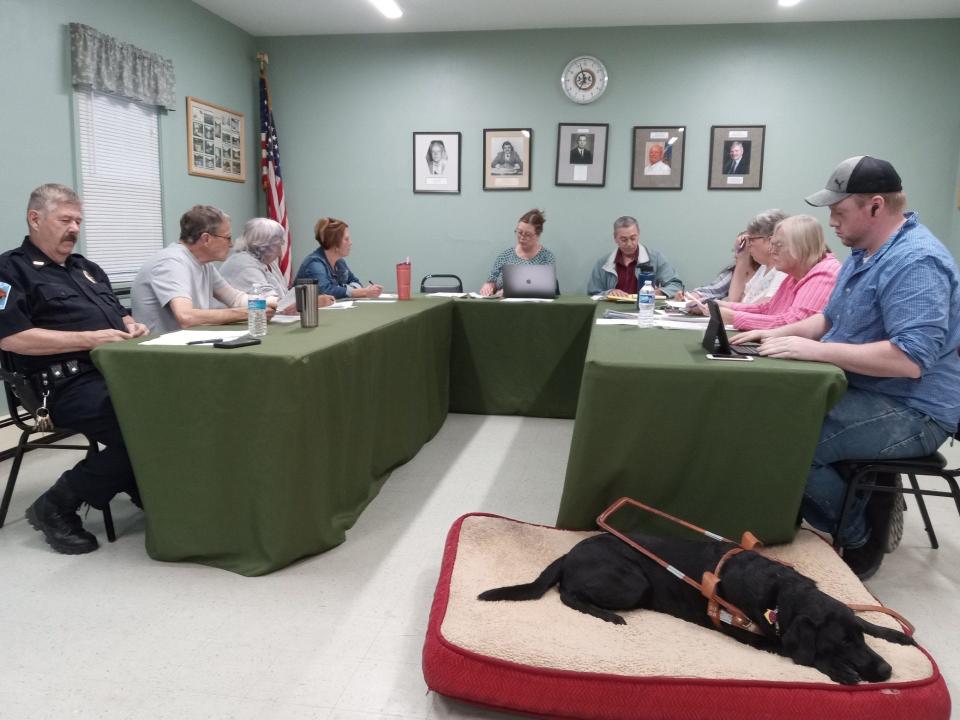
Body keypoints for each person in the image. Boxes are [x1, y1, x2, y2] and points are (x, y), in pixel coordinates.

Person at [732, 156, 960, 579]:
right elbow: (830, 320)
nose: (832, 223)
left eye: (839, 212)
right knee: (765, 417)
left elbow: (909, 361)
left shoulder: (917, 262)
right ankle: (823, 513)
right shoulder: (863, 252)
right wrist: (775, 335)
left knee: (788, 441)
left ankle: (858, 536)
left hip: (916, 408)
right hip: (866, 389)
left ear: (875, 206)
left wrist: (813, 351)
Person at [0, 184, 148, 554]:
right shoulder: (10, 269)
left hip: (115, 371)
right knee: (142, 426)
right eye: (65, 219)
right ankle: (56, 505)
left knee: (172, 408)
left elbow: (120, 313)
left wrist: (132, 326)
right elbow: (12, 339)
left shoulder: (88, 269)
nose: (74, 228)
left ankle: (134, 479)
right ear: (35, 219)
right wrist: (89, 339)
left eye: (78, 220)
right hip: (59, 385)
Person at [132, 205, 274, 333]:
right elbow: (186, 317)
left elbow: (235, 299)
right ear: (206, 239)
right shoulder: (171, 262)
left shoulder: (204, 264)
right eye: (227, 238)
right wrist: (250, 312)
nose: (231, 245)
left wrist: (270, 303)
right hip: (161, 351)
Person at [692, 215, 839, 330]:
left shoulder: (823, 273)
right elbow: (768, 309)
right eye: (772, 244)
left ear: (800, 247)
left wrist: (733, 317)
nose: (772, 250)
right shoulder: (796, 273)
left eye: (778, 245)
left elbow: (793, 323)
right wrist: (721, 306)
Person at [220, 218, 333, 313]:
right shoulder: (243, 264)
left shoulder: (267, 262)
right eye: (279, 246)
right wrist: (311, 301)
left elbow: (282, 297)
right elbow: (273, 305)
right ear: (263, 246)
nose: (280, 253)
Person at [685, 210, 787, 304]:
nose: (749, 244)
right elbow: (735, 300)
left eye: (752, 239)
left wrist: (715, 307)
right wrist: (742, 258)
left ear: (770, 240)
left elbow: (764, 305)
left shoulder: (782, 270)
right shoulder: (764, 268)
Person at [586, 216, 683, 298]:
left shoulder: (655, 258)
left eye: (633, 238)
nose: (629, 244)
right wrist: (609, 293)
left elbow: (676, 285)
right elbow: (592, 293)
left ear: (638, 235)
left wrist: (660, 292)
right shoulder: (603, 263)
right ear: (615, 238)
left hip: (646, 308)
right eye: (624, 239)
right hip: (613, 309)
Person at [295, 217, 383, 299]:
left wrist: (346, 289)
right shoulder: (314, 264)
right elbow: (325, 292)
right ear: (335, 243)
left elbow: (356, 283)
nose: (351, 243)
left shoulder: (339, 262)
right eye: (346, 239)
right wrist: (361, 292)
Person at [480, 209, 556, 296]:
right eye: (519, 232)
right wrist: (488, 287)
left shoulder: (546, 257)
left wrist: (512, 292)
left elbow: (549, 287)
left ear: (538, 235)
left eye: (527, 235)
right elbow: (491, 281)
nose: (522, 237)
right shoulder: (506, 255)